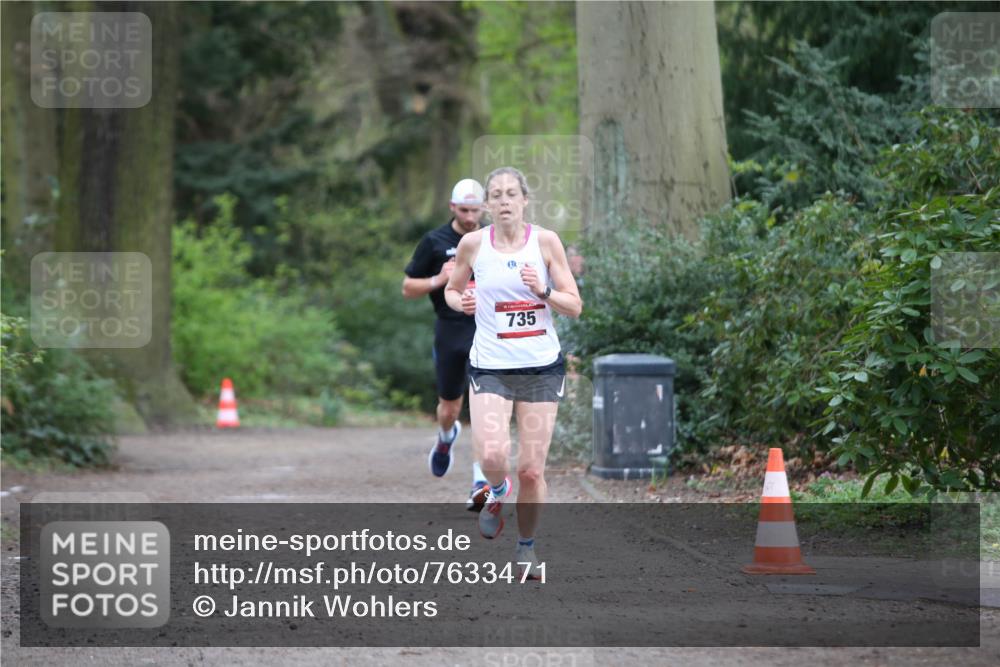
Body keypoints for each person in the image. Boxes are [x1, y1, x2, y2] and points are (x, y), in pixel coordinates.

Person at [444, 167, 582, 579]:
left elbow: (574, 305)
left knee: (532, 470)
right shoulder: (473, 244)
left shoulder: (545, 242)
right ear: (487, 205)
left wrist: (541, 291)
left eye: (511, 194)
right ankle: (497, 492)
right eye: (496, 195)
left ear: (524, 200)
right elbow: (452, 290)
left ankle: (526, 549)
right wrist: (460, 303)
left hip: (540, 366)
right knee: (491, 455)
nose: (504, 201)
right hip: (491, 366)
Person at [402, 179, 490, 510]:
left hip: (489, 330)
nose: (470, 217)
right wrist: (439, 279)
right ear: (452, 207)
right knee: (450, 408)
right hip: (451, 329)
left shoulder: (493, 239)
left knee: (485, 408)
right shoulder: (434, 241)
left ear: (484, 208)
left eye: (475, 210)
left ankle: (481, 484)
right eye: (464, 210)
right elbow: (407, 287)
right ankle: (445, 437)